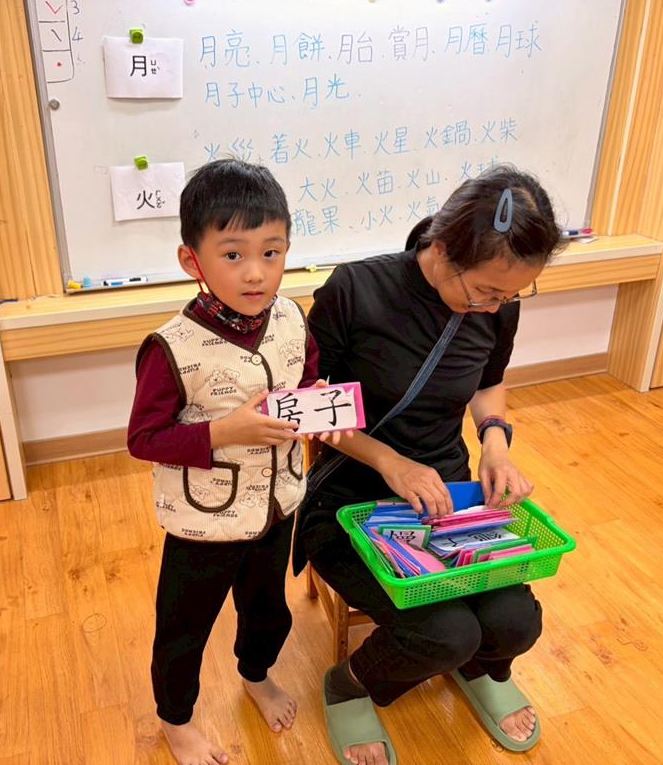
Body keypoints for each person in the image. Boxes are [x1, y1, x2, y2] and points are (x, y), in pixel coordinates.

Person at [294, 166, 566, 765]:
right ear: (442, 250)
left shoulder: (497, 306)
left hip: (449, 498)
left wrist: (495, 445)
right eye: (486, 292)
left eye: (509, 297)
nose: (493, 307)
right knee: (443, 632)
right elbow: (307, 403)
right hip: (349, 497)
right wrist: (390, 462)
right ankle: (350, 685)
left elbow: (488, 385)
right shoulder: (355, 290)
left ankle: (480, 669)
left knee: (517, 622)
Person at [128, 159, 338, 765]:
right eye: (233, 255)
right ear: (192, 260)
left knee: (267, 608)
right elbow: (145, 438)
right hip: (204, 521)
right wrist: (225, 431)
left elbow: (308, 378)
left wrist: (321, 406)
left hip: (277, 505)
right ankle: (177, 722)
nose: (256, 272)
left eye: (272, 252)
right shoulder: (171, 348)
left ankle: (256, 674)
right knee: (183, 627)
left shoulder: (291, 317)